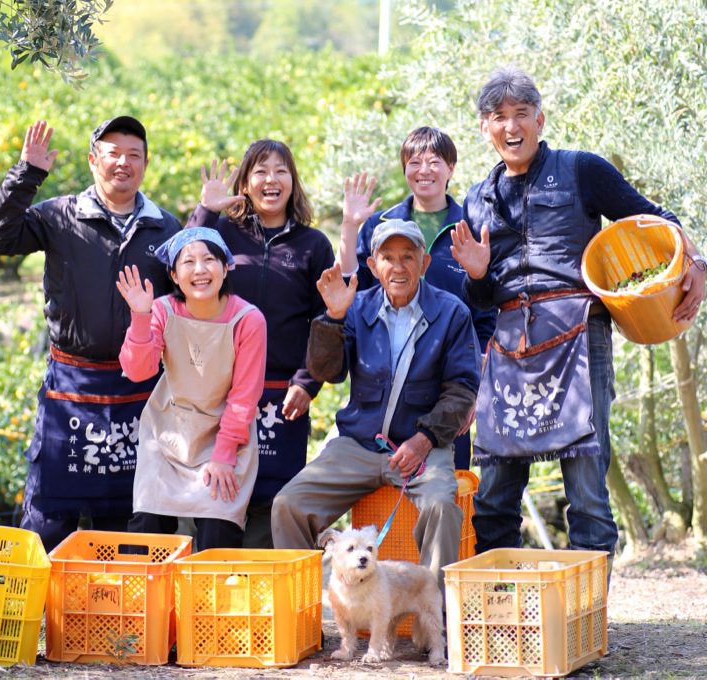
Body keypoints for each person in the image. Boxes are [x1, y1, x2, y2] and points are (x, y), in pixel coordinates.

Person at [450, 66, 707, 560]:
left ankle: (587, 628)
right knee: (494, 499)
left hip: (579, 338)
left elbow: (654, 218)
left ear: (539, 119)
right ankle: (508, 617)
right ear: (484, 128)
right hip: (509, 349)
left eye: (521, 114)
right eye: (499, 117)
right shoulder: (477, 199)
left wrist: (695, 262)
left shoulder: (581, 170)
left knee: (587, 494)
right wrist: (478, 275)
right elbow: (480, 301)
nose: (510, 126)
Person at [0, 117, 181, 551]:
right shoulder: (60, 216)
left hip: (139, 390)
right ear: (93, 161)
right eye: (113, 154)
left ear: (146, 164)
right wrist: (27, 174)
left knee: (129, 523)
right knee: (50, 518)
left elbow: (189, 299)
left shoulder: (165, 228)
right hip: (71, 384)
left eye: (134, 155)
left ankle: (120, 617)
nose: (123, 163)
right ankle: (38, 614)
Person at [272, 217, 481, 594]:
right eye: (387, 257)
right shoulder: (356, 307)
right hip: (357, 444)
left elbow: (462, 388)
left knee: (441, 507)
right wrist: (333, 318)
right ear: (372, 265)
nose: (398, 267)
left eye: (407, 257)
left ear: (425, 262)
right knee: (288, 504)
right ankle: (299, 614)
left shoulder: (452, 313)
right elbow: (328, 371)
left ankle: (432, 624)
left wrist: (424, 439)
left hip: (421, 447)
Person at [186, 142, 336, 548]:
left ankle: (269, 604)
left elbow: (326, 320)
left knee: (274, 503)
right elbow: (180, 270)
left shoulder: (313, 245)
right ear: (246, 183)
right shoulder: (222, 234)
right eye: (261, 171)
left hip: (284, 394)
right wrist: (206, 211)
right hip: (221, 390)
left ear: (293, 181)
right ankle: (214, 595)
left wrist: (308, 382)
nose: (271, 180)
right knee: (218, 493)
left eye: (281, 170)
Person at [337, 127, 496, 469]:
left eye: (434, 161)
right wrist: (349, 227)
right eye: (414, 161)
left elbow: (486, 315)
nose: (424, 169)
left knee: (446, 488)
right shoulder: (381, 225)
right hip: (384, 375)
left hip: (452, 380)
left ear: (451, 168)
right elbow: (353, 290)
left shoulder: (469, 226)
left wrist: (474, 391)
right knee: (378, 491)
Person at [117, 228, 266, 549]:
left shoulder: (248, 319)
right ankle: (146, 600)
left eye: (209, 260)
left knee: (218, 533)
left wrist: (224, 455)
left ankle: (209, 601)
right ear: (173, 274)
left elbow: (244, 396)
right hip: (167, 435)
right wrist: (140, 316)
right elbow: (137, 370)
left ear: (226, 267)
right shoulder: (161, 310)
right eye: (188, 262)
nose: (200, 270)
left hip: (226, 438)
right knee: (147, 530)